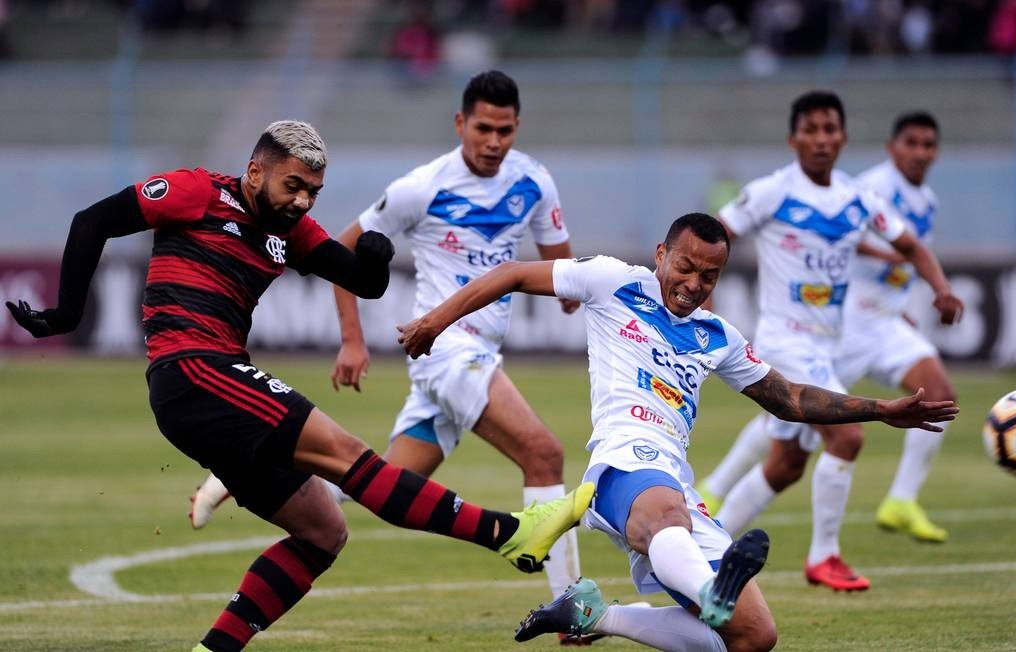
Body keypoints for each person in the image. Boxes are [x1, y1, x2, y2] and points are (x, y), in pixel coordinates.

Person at [4, 120, 592, 652]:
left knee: (322, 530)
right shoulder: (195, 191)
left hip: (209, 388)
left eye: (313, 191)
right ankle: (509, 533)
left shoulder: (295, 231)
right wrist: (66, 315)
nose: (302, 201)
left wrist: (378, 257)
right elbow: (94, 222)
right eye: (293, 186)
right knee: (348, 455)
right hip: (195, 370)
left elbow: (361, 280)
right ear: (255, 171)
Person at [397, 213, 958, 650]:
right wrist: (434, 322)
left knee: (753, 637)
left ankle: (597, 615)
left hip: (675, 481)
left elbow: (789, 398)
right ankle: (711, 592)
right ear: (662, 254)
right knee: (670, 519)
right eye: (684, 267)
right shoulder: (616, 282)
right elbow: (515, 274)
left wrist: (880, 409)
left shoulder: (717, 335)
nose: (693, 284)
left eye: (708, 275)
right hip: (622, 462)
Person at [186, 71, 591, 641]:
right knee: (543, 453)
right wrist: (352, 339)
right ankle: (571, 615)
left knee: (382, 483)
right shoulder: (420, 188)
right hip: (444, 347)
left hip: (474, 354)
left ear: (517, 127)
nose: (493, 141)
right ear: (460, 124)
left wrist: (577, 297)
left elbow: (560, 264)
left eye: (504, 130)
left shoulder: (535, 182)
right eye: (482, 128)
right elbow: (340, 251)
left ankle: (243, 472)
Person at [695, 91, 964, 592]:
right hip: (784, 343)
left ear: (843, 137)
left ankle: (709, 551)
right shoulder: (774, 190)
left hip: (826, 345)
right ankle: (824, 556)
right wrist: (701, 289)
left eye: (830, 130)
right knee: (848, 436)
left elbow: (910, 244)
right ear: (793, 138)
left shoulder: (858, 198)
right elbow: (714, 231)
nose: (821, 140)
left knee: (785, 466)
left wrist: (942, 288)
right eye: (811, 130)